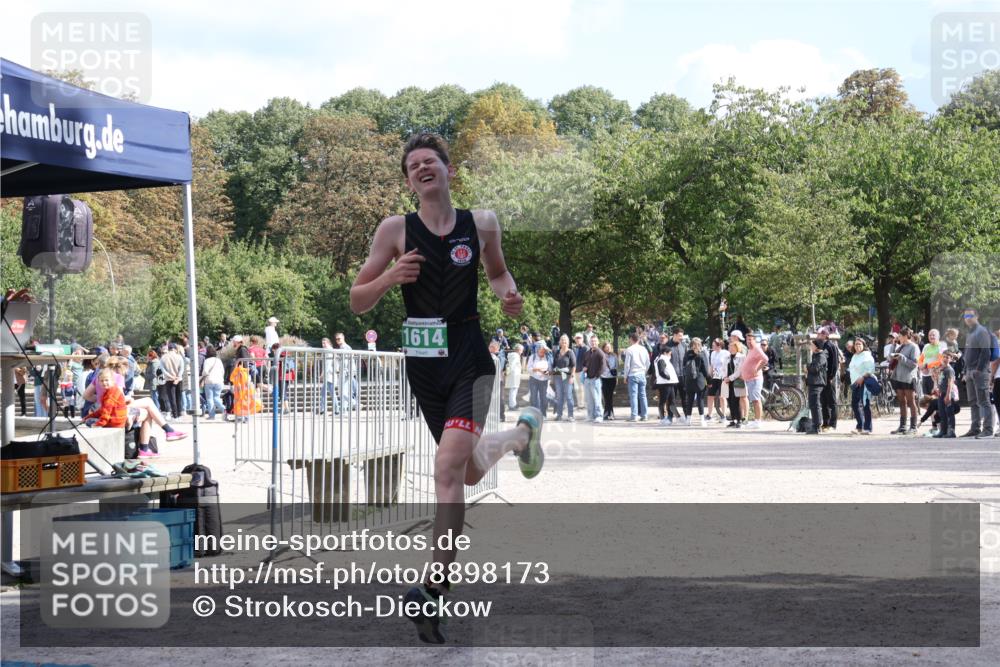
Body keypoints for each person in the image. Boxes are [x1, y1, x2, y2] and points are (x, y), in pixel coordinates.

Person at [348, 132, 544, 644]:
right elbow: (356, 301)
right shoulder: (395, 229)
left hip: (470, 361)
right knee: (470, 469)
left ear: (448, 170)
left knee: (444, 469)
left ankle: (434, 587)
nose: (421, 168)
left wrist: (510, 296)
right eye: (412, 165)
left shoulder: (480, 224)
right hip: (424, 366)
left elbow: (499, 274)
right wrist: (391, 278)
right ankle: (523, 435)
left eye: (429, 161)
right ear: (409, 179)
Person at [959, 308, 994, 438]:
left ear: (977, 316)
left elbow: (986, 352)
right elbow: (967, 354)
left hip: (980, 372)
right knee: (973, 402)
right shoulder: (970, 333)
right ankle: (975, 428)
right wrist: (964, 372)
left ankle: (988, 429)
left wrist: (979, 370)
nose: (967, 318)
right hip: (969, 372)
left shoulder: (981, 331)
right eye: (965, 316)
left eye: (970, 315)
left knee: (984, 401)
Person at [888, 327, 920, 435]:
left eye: (900, 336)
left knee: (911, 402)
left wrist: (902, 358)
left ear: (906, 336)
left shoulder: (913, 347)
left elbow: (914, 364)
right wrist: (893, 345)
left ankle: (913, 426)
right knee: (902, 402)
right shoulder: (900, 346)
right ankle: (902, 426)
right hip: (898, 377)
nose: (898, 338)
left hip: (909, 377)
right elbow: (889, 359)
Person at [848, 338, 876, 434]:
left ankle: (868, 427)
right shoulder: (854, 356)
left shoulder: (867, 355)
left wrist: (863, 377)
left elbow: (871, 368)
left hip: (864, 381)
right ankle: (860, 425)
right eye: (856, 344)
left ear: (864, 345)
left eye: (860, 344)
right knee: (854, 404)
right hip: (855, 383)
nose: (857, 346)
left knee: (865, 404)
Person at [816, 328, 841, 432]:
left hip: (829, 377)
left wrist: (831, 376)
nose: (818, 336)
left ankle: (833, 424)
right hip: (822, 378)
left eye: (820, 334)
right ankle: (825, 422)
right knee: (823, 400)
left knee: (832, 401)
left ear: (825, 335)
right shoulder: (821, 345)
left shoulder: (831, 346)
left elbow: (835, 363)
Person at [740, 335, 768, 429]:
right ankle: (756, 420)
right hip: (749, 379)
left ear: (755, 340)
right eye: (747, 340)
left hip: (755, 379)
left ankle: (758, 421)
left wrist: (757, 368)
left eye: (750, 340)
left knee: (756, 400)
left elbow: (765, 359)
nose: (748, 342)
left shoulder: (757, 349)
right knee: (754, 400)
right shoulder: (750, 350)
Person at [682, 338, 711, 426]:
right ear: (700, 345)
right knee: (700, 400)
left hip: (689, 380)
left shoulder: (687, 354)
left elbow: (684, 367)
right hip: (700, 380)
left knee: (689, 400)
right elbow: (705, 370)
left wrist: (684, 380)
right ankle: (702, 420)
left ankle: (688, 420)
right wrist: (709, 381)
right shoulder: (702, 354)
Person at [623, 332, 650, 421]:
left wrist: (625, 376)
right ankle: (644, 415)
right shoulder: (644, 349)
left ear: (631, 339)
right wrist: (644, 372)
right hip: (642, 374)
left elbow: (627, 365)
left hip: (633, 374)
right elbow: (648, 363)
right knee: (643, 395)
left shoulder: (629, 349)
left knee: (633, 396)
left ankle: (634, 415)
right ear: (638, 339)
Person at [805, 339, 828, 435]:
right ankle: (815, 424)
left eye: (812, 345)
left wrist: (807, 367)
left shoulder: (821, 356)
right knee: (813, 404)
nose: (811, 347)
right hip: (813, 382)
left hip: (817, 382)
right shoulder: (815, 355)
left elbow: (815, 368)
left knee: (815, 404)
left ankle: (817, 425)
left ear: (817, 346)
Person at [550, 335, 576, 421]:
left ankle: (570, 415)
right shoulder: (557, 352)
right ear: (560, 342)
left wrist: (572, 376)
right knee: (559, 396)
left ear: (568, 343)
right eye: (562, 341)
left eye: (565, 341)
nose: (564, 343)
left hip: (567, 377)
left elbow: (573, 366)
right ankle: (559, 415)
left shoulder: (570, 352)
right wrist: (552, 377)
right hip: (557, 376)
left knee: (569, 396)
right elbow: (554, 365)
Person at [933, 349, 958, 439]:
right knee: (942, 413)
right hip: (941, 393)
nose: (945, 359)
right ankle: (943, 431)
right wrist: (938, 388)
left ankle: (951, 431)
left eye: (947, 357)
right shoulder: (941, 369)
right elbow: (939, 381)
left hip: (948, 394)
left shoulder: (949, 370)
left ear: (951, 359)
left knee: (949, 413)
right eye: (944, 357)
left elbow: (950, 383)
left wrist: (948, 395)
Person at [582, 335, 606, 422]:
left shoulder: (600, 353)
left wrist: (597, 376)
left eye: (595, 341)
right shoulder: (587, 353)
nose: (593, 342)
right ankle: (590, 416)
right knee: (589, 400)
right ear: (589, 342)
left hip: (595, 380)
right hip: (587, 379)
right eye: (592, 341)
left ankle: (599, 416)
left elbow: (603, 367)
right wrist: (584, 367)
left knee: (597, 399)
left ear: (598, 342)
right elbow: (584, 363)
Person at [723, 340, 746, 428]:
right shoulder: (727, 357)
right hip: (727, 381)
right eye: (729, 347)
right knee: (730, 401)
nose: (730, 349)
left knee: (736, 401)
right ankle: (733, 419)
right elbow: (723, 368)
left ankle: (739, 420)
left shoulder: (741, 357)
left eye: (732, 347)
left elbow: (739, 371)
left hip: (736, 380)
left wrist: (730, 378)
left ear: (737, 348)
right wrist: (724, 377)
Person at [654, 347, 679, 425]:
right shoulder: (661, 359)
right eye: (669, 353)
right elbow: (661, 371)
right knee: (663, 401)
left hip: (669, 383)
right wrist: (667, 377)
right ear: (665, 353)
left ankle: (676, 417)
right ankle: (662, 419)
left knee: (672, 401)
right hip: (664, 383)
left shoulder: (664, 359)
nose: (670, 355)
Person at [200, 346, 226, 420]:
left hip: (209, 381)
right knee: (216, 397)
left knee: (210, 399)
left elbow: (205, 371)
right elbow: (222, 371)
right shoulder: (218, 360)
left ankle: (213, 415)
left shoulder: (207, 361)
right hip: (219, 381)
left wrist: (202, 377)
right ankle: (224, 410)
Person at [707, 338, 730, 423]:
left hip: (722, 376)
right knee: (710, 396)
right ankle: (709, 415)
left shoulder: (726, 353)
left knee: (722, 396)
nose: (712, 346)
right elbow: (711, 365)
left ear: (719, 345)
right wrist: (709, 377)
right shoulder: (712, 353)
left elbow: (727, 365)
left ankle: (723, 415)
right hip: (714, 377)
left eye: (713, 345)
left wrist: (727, 377)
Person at [527, 341, 551, 416]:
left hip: (544, 380)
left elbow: (550, 370)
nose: (543, 351)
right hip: (534, 379)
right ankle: (535, 414)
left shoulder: (548, 357)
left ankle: (543, 414)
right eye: (541, 349)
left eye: (544, 350)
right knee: (534, 398)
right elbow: (528, 369)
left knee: (543, 398)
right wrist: (538, 369)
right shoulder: (533, 357)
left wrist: (546, 372)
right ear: (537, 350)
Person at [600, 342, 618, 420]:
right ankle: (609, 413)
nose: (608, 348)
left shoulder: (614, 356)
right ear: (603, 348)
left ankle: (608, 413)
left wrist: (616, 376)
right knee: (606, 396)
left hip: (612, 378)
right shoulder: (601, 355)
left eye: (609, 347)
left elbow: (616, 366)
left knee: (610, 396)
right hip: (603, 378)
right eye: (606, 347)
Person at [505, 344, 523, 411]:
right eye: (521, 350)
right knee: (513, 390)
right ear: (518, 350)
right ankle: (512, 405)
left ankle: (512, 404)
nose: (522, 352)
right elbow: (512, 365)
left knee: (513, 390)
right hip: (514, 375)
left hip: (514, 375)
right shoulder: (515, 356)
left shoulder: (514, 355)